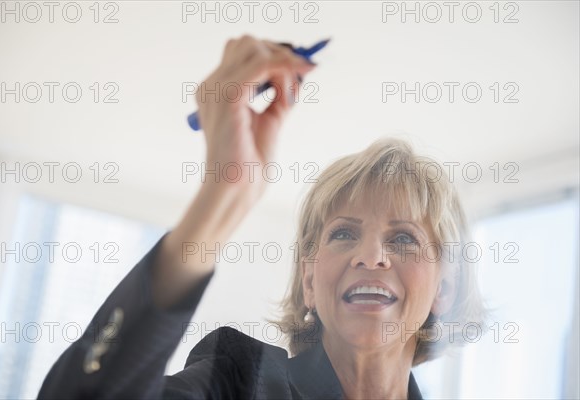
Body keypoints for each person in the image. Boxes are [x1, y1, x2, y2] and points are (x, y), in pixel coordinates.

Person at [38, 35, 486, 399]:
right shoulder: (238, 380)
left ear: (444, 287)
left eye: (403, 239)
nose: (371, 256)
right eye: (344, 233)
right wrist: (222, 194)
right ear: (309, 281)